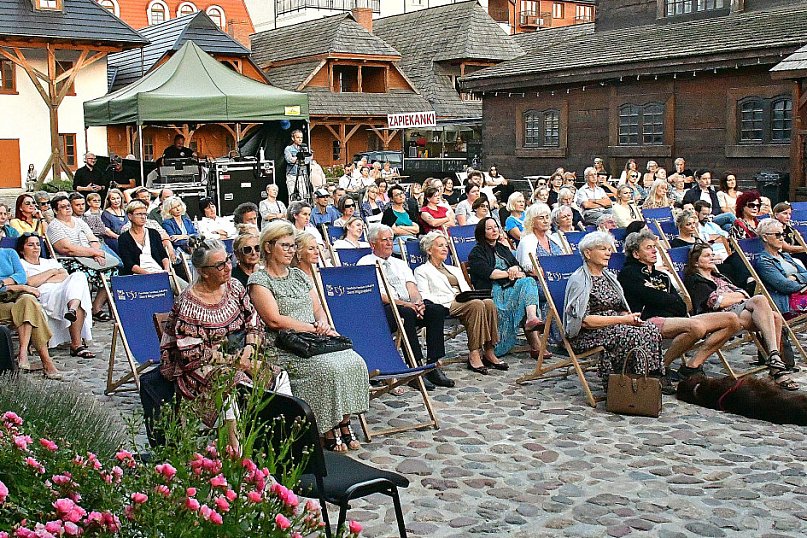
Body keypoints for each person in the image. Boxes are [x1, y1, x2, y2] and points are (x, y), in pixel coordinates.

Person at [249, 221, 369, 451]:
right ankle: (326, 427)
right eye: (284, 245)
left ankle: (343, 422)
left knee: (354, 362)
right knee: (327, 369)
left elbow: (318, 308)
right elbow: (274, 320)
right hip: (284, 346)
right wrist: (311, 327)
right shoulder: (260, 281)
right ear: (268, 247)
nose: (290, 250)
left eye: (293, 246)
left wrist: (322, 322)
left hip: (313, 340)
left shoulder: (299, 276)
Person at [160, 239, 279, 451]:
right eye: (220, 265)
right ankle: (237, 453)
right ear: (203, 272)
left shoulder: (234, 287)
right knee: (234, 383)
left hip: (240, 354)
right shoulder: (189, 303)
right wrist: (234, 361)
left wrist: (250, 349)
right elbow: (192, 354)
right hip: (199, 366)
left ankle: (277, 441)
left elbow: (252, 320)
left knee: (278, 376)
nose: (228, 267)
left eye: (228, 260)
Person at [618, 229, 741, 380]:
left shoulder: (662, 276)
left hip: (674, 319)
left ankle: (692, 366)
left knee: (732, 319)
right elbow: (652, 298)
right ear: (636, 254)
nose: (654, 251)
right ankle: (660, 367)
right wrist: (670, 300)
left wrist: (668, 301)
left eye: (654, 247)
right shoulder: (629, 274)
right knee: (696, 327)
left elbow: (681, 305)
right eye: (648, 248)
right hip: (647, 321)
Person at [684, 243, 796, 390]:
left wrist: (735, 296)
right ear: (695, 262)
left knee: (775, 316)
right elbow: (717, 302)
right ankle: (775, 359)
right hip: (720, 317)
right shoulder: (695, 280)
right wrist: (737, 296)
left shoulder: (719, 276)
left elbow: (743, 293)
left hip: (739, 310)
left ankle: (775, 365)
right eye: (706, 256)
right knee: (760, 300)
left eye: (712, 255)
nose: (711, 258)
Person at [564, 231, 666, 388]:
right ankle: (625, 384)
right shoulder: (579, 280)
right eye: (602, 249)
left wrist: (628, 317)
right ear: (588, 253)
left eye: (609, 249)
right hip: (588, 333)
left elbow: (619, 307)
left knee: (650, 329)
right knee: (630, 335)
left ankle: (649, 378)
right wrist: (622, 320)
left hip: (614, 325)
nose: (608, 253)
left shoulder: (609, 277)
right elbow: (584, 321)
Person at [357, 225, 448, 389]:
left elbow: (411, 287)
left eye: (391, 239)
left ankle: (433, 364)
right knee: (407, 314)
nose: (389, 243)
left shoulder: (399, 263)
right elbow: (377, 295)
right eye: (384, 240)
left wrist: (418, 303)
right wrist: (407, 305)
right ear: (372, 244)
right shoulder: (365, 263)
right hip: (382, 310)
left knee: (436, 310)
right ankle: (414, 367)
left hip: (408, 305)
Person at [415, 231, 503, 375]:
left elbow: (467, 289)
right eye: (440, 246)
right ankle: (474, 352)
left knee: (488, 303)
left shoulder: (454, 269)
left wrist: (468, 296)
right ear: (429, 250)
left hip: (464, 299)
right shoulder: (422, 270)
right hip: (445, 303)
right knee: (476, 304)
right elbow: (425, 295)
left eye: (446, 246)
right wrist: (456, 298)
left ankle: (489, 350)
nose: (445, 249)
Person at [468, 217, 543, 358]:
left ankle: (532, 319)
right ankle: (535, 342)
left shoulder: (502, 248)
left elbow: (518, 266)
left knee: (528, 282)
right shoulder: (476, 252)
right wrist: (509, 273)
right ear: (482, 232)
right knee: (527, 288)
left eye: (495, 227)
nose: (494, 230)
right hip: (493, 291)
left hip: (511, 287)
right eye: (489, 228)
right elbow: (489, 273)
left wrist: (515, 268)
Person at [17, 233, 93, 355]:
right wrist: (52, 272)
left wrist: (41, 279)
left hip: (63, 291)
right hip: (44, 295)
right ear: (22, 250)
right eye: (30, 245)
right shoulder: (21, 264)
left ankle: (72, 309)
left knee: (79, 276)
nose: (36, 247)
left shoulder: (50, 261)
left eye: (38, 244)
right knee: (77, 293)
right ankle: (76, 344)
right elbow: (30, 282)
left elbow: (65, 276)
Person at [45, 195, 114, 322]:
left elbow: (93, 239)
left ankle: (96, 308)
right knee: (84, 274)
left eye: (68, 205)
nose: (67, 208)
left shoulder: (79, 222)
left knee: (112, 270)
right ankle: (81, 310)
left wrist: (96, 253)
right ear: (55, 210)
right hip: (69, 260)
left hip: (90, 256)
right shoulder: (54, 226)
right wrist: (94, 253)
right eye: (63, 207)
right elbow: (67, 249)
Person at [0, 246, 60, 378]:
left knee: (28, 301)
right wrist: (18, 286)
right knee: (31, 309)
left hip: (15, 298)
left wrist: (3, 283)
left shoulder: (9, 253)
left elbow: (22, 276)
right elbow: (21, 282)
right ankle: (47, 362)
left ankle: (22, 352)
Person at [756, 218, 807, 315]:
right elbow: (785, 286)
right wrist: (804, 286)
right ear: (765, 237)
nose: (782, 238)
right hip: (789, 304)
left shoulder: (786, 256)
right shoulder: (764, 262)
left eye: (783, 234)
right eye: (777, 235)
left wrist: (795, 277)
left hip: (802, 296)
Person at [117, 201, 171, 277]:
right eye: (139, 214)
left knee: (183, 284)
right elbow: (129, 263)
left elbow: (163, 255)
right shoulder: (123, 238)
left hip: (160, 271)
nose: (143, 217)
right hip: (139, 275)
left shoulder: (153, 233)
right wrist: (148, 274)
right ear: (130, 216)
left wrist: (166, 270)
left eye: (145, 214)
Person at [517, 204, 564, 273]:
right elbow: (527, 267)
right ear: (532, 221)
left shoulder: (554, 239)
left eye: (547, 217)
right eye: (541, 218)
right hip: (540, 278)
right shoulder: (527, 241)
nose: (545, 221)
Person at [284, 129, 309, 202]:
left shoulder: (304, 148)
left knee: (304, 194)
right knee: (292, 195)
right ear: (293, 138)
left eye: (301, 137)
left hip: (302, 174)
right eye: (298, 137)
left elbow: (307, 160)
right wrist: (299, 159)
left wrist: (296, 159)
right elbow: (289, 160)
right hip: (292, 174)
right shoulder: (288, 148)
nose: (300, 139)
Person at [101, 189, 127, 253]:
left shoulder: (125, 211)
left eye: (118, 198)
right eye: (113, 199)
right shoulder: (106, 214)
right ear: (109, 200)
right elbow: (107, 231)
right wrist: (119, 237)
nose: (116, 201)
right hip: (113, 239)